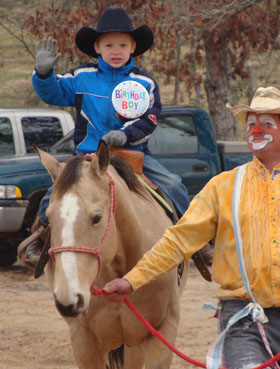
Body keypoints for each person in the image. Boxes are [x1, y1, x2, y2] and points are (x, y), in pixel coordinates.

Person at [102, 86, 280, 369]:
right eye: (251, 124)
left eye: (267, 124)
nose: (255, 130)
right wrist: (132, 280)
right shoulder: (222, 187)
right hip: (243, 319)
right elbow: (178, 241)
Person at [21, 7, 190, 263]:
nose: (116, 50)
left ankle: (194, 241)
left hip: (133, 155)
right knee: (55, 194)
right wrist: (43, 75)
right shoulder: (81, 77)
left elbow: (151, 118)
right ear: (97, 47)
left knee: (174, 184)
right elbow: (54, 93)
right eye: (109, 44)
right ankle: (40, 239)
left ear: (133, 47)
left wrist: (126, 135)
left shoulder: (145, 83)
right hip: (88, 157)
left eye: (122, 44)